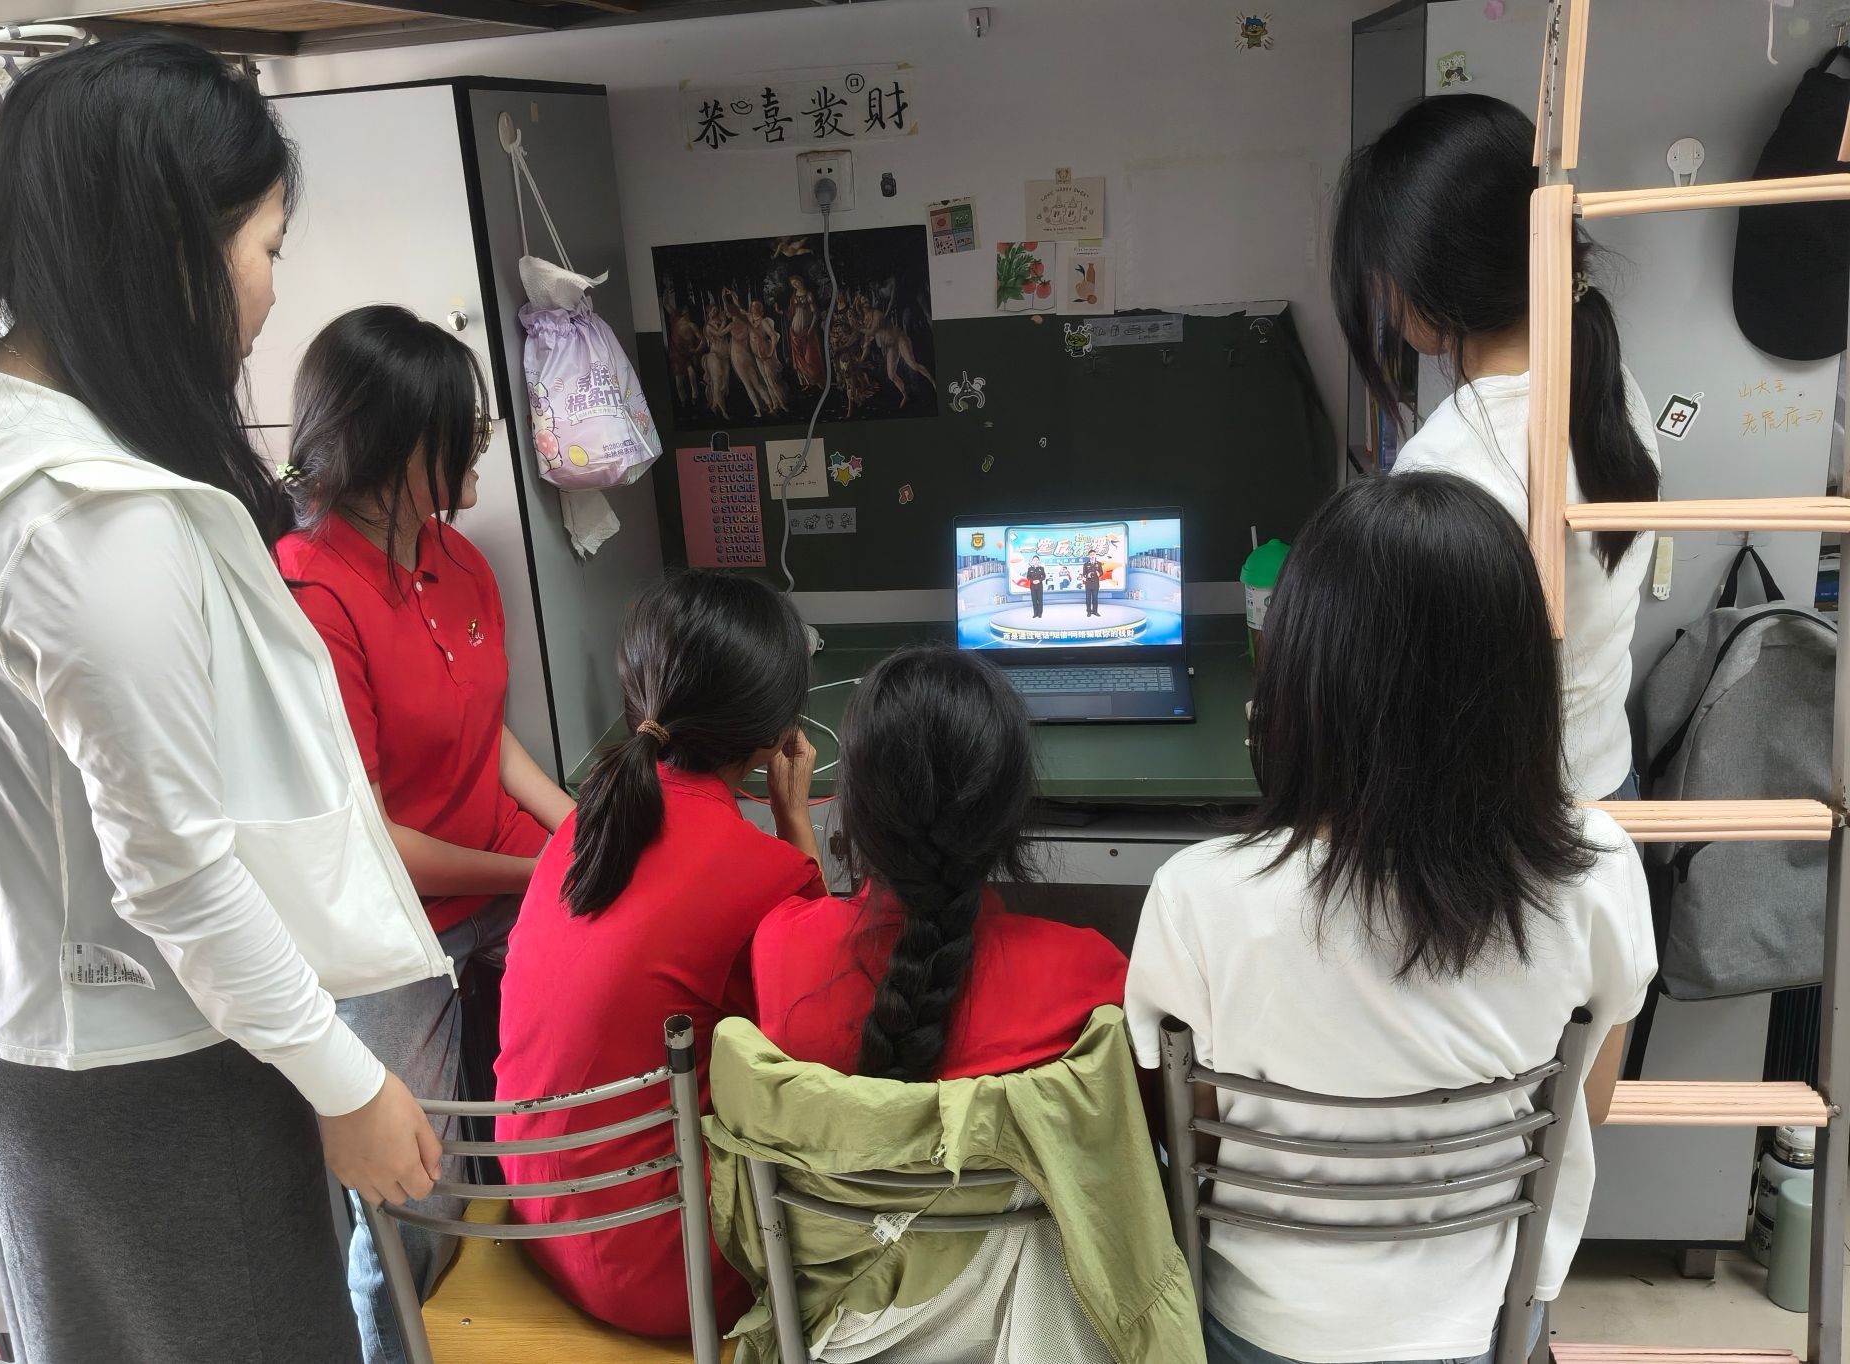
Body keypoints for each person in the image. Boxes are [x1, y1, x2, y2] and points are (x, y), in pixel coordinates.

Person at [0, 36, 442, 1364]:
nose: (272, 289)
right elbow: (174, 871)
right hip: (153, 1070)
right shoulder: (91, 524)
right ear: (172, 251)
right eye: (266, 247)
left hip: (58, 1046)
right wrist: (345, 1080)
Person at [1124, 473, 1656, 1364]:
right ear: (1521, 675)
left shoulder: (1198, 896)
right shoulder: (1597, 869)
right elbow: (1586, 1106)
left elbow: (1186, 1133)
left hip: (1261, 1327)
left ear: (1301, 672)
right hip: (1484, 1321)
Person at [275, 305, 575, 1364]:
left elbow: (486, 732)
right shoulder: (309, 592)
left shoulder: (457, 558)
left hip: (504, 875)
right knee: (415, 1198)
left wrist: (576, 826)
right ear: (394, 443)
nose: (479, 444)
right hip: (398, 927)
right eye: (462, 429)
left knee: (561, 1111)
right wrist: (539, 867)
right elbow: (374, 843)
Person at [494, 571, 825, 1336]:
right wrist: (795, 823)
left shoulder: (584, 826)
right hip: (667, 1275)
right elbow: (820, 1028)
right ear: (775, 736)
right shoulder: (765, 873)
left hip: (540, 1216)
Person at [1332, 93, 1661, 801]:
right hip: (1607, 785)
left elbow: (1422, 708)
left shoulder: (1450, 464)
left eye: (1382, 273)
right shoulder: (1610, 384)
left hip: (1514, 822)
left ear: (1422, 281)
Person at [753, 644, 1127, 1082]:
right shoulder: (1092, 976)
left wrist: (793, 815)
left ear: (857, 809)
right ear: (1009, 810)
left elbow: (808, 927)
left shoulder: (778, 949)